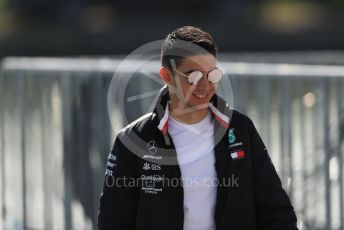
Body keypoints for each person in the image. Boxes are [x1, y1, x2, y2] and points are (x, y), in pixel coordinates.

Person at [98, 26, 298, 230]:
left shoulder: (240, 129)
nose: (205, 86)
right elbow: (113, 222)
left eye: (212, 75)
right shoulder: (131, 140)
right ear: (167, 76)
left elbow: (276, 211)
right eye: (193, 76)